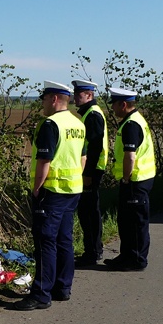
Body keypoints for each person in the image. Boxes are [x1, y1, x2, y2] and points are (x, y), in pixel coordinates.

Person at [14, 81, 85, 311]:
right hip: (73, 190)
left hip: (52, 192)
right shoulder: (77, 124)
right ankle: (62, 288)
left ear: (54, 99)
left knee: (45, 241)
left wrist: (37, 188)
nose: (42, 104)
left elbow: (44, 160)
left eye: (44, 99)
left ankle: (41, 294)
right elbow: (83, 158)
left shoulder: (50, 124)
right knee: (64, 240)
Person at [105, 88, 156, 272]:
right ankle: (126, 255)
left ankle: (136, 260)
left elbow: (130, 156)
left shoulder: (131, 124)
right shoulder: (133, 120)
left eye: (114, 104)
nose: (112, 108)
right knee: (126, 221)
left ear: (123, 104)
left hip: (135, 180)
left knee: (135, 223)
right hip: (138, 179)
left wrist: (126, 178)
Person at [72, 80, 108, 267]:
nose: (75, 97)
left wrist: (87, 173)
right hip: (91, 169)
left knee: (89, 213)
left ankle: (92, 253)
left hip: (92, 170)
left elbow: (94, 148)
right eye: (75, 93)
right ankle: (92, 250)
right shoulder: (89, 113)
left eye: (80, 94)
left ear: (89, 96)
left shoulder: (92, 115)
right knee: (88, 211)